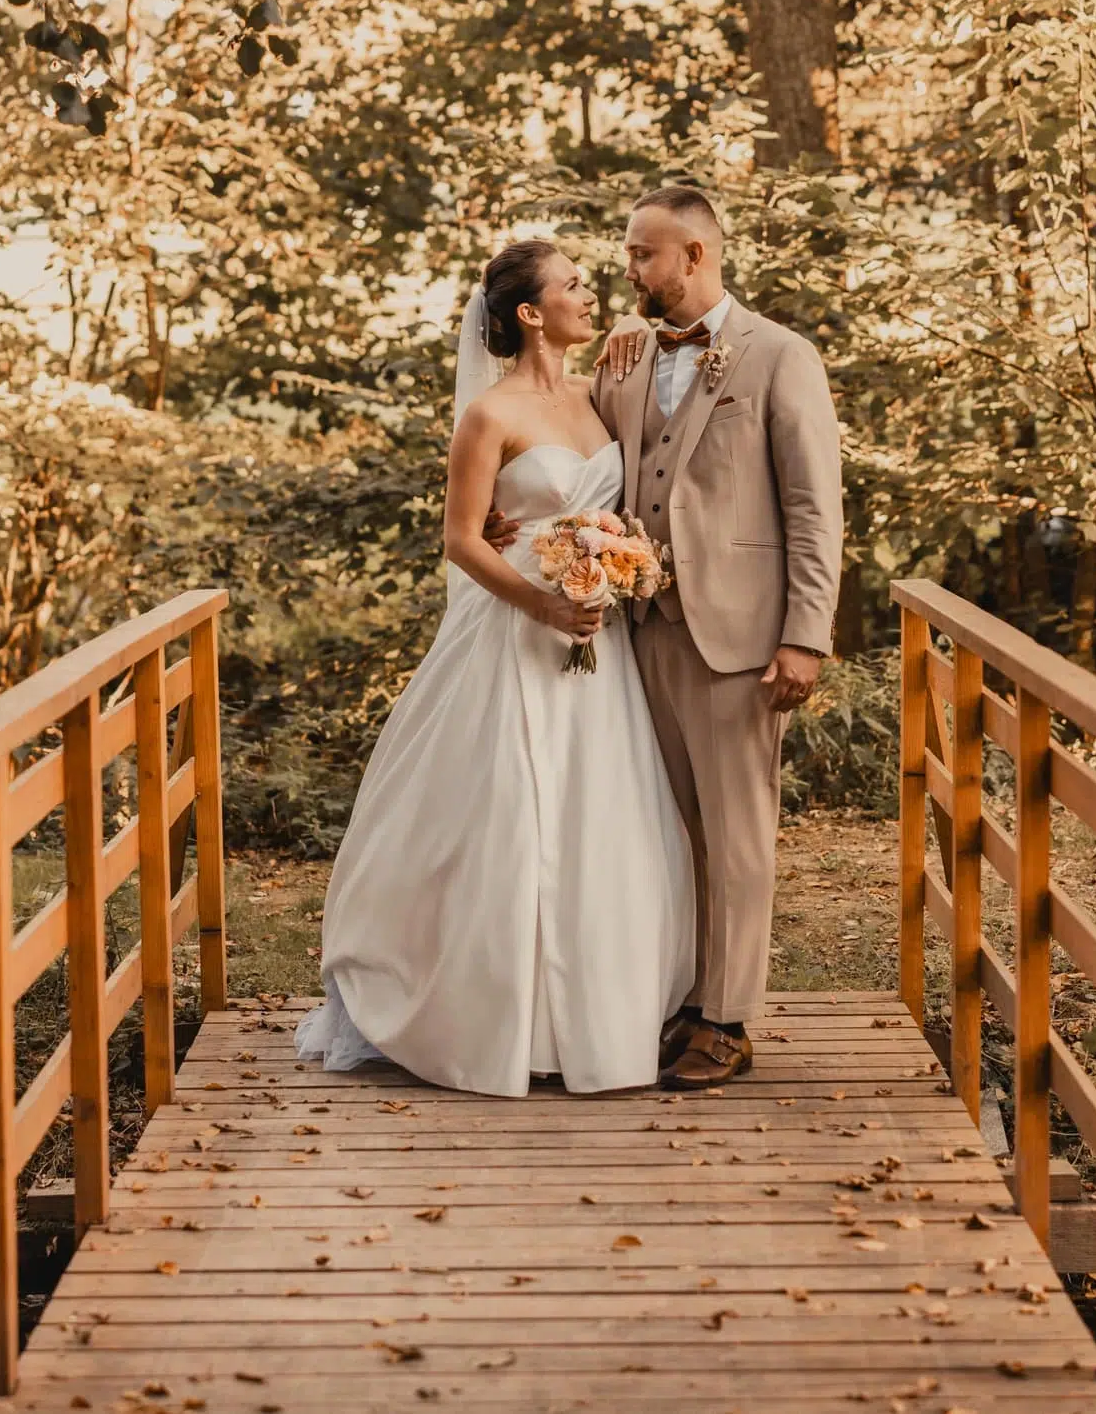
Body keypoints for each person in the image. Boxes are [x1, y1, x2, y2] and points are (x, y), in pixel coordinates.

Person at [296, 240, 696, 1095]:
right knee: (507, 816)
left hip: (598, 640)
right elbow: (462, 539)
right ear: (528, 313)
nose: (590, 294)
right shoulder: (489, 416)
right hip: (518, 632)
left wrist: (616, 562)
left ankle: (596, 1019)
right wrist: (544, 604)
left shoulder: (600, 396)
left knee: (601, 819)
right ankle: (485, 1017)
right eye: (573, 285)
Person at [491, 185, 846, 1089]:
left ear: (694, 254)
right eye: (625, 255)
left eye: (642, 255)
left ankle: (726, 1019)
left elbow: (814, 508)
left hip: (738, 637)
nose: (627, 271)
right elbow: (564, 453)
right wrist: (511, 523)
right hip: (634, 634)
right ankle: (685, 996)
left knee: (737, 833)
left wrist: (806, 634)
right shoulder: (625, 359)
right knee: (669, 830)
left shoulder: (782, 356)